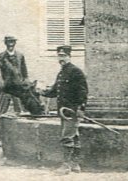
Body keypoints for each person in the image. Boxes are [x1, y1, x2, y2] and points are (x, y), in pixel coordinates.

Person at [41, 45, 88, 174]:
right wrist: (41, 92)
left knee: (67, 137)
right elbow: (55, 91)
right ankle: (75, 165)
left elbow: (83, 92)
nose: (61, 58)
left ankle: (66, 166)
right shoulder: (62, 73)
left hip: (72, 111)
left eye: (64, 56)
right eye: (59, 56)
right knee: (74, 136)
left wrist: (80, 108)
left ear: (69, 56)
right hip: (64, 111)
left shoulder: (76, 71)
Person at [0, 35, 29, 145]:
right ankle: (0, 139)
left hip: (17, 89)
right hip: (6, 89)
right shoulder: (0, 57)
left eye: (12, 42)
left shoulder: (20, 56)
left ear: (15, 43)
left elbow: (24, 72)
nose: (10, 44)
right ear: (5, 43)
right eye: (8, 42)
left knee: (19, 112)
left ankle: (20, 137)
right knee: (3, 112)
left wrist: (25, 84)